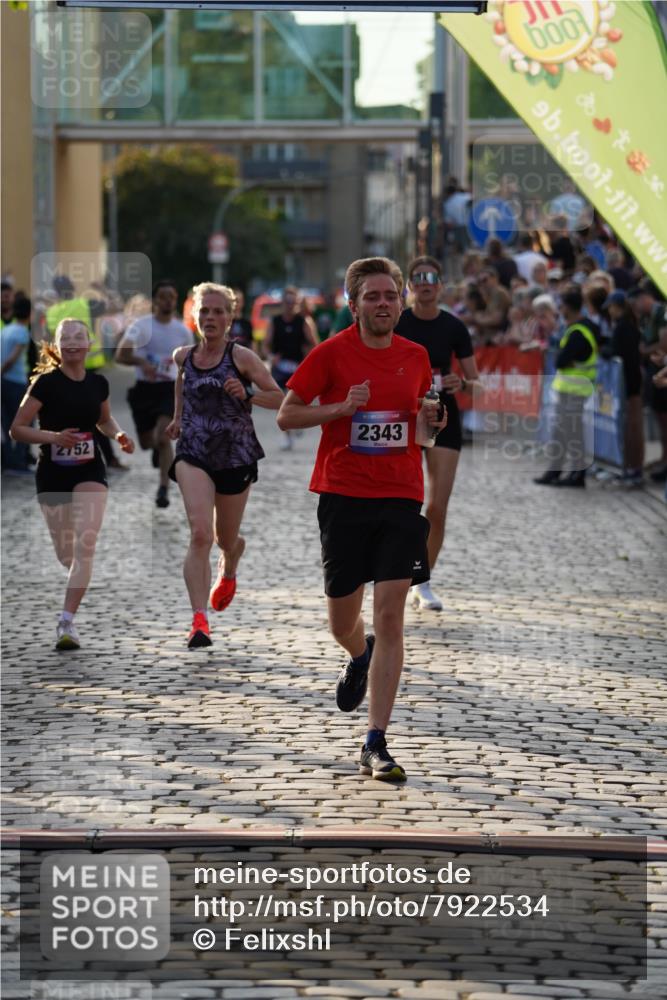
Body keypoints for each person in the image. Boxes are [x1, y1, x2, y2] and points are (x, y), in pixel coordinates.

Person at [277, 257, 446, 782]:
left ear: (401, 301)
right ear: (353, 305)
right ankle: (358, 653)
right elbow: (286, 413)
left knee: (391, 614)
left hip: (399, 495)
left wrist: (429, 422)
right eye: (372, 296)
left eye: (390, 296)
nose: (383, 304)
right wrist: (338, 410)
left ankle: (376, 741)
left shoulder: (417, 356)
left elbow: (421, 429)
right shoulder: (331, 354)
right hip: (343, 495)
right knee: (342, 620)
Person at [166, 282, 283, 650]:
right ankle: (199, 621)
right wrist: (177, 418)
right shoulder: (182, 356)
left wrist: (247, 393)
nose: (211, 318)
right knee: (200, 534)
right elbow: (182, 388)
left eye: (218, 312)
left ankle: (230, 562)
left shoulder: (243, 357)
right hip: (194, 452)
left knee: (224, 539)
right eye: (205, 311)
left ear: (230, 318)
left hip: (234, 455)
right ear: (194, 316)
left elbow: (280, 398)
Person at [10, 318, 135, 650]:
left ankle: (66, 622)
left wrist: (119, 434)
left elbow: (103, 419)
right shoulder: (45, 385)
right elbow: (17, 429)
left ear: (90, 344)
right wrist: (53, 437)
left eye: (80, 337)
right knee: (67, 555)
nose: (74, 342)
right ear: (58, 345)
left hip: (90, 469)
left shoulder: (98, 383)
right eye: (67, 338)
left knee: (86, 545)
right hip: (52, 473)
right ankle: (74, 580)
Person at [396, 256, 481, 612]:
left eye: (432, 277)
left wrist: (460, 382)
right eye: (418, 277)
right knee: (403, 504)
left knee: (437, 506)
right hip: (405, 416)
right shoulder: (398, 322)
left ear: (441, 285)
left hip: (443, 416)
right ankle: (395, 575)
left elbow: (476, 385)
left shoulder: (454, 327)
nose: (426, 283)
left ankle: (423, 580)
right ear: (410, 286)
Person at [116, 280, 194, 508]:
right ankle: (156, 452)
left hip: (169, 390)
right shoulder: (141, 326)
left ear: (175, 300)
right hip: (144, 390)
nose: (167, 301)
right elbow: (120, 355)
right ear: (155, 300)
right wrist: (141, 361)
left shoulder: (183, 331)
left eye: (171, 297)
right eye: (162, 297)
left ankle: (163, 488)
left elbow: (190, 364)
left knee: (164, 438)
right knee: (147, 441)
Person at [534, 285, 599, 488]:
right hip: (569, 390)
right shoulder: (577, 328)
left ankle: (577, 475)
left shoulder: (579, 332)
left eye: (561, 307)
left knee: (572, 433)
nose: (559, 311)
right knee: (561, 432)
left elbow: (561, 360)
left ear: (568, 308)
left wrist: (564, 360)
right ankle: (555, 471)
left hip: (575, 391)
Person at [264, 286, 319, 450]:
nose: (290, 305)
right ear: (282, 302)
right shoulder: (275, 321)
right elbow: (266, 345)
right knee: (280, 400)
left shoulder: (303, 321)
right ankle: (287, 434)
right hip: (280, 366)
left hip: (298, 366)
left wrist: (308, 356)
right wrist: (271, 357)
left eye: (293, 301)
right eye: (287, 301)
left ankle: (297, 423)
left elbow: (314, 344)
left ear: (297, 303)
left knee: (295, 400)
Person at [605, 290, 644, 485]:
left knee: (632, 428)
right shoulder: (624, 325)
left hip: (629, 384)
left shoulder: (624, 327)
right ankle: (630, 467)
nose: (609, 312)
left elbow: (625, 356)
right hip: (628, 383)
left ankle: (634, 468)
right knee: (629, 427)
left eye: (611, 307)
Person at [1, 295, 32, 474]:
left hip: (4, 382)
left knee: (6, 423)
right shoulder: (22, 332)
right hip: (16, 381)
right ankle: (19, 463)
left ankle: (8, 462)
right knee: (24, 424)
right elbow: (12, 358)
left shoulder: (5, 330)